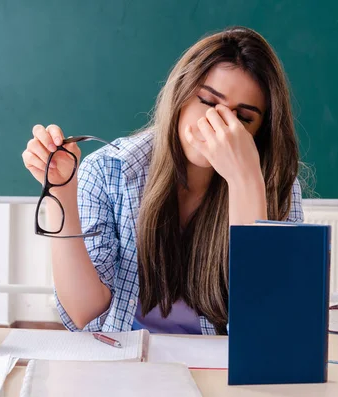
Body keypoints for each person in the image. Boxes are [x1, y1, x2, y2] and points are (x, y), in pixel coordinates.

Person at [22, 26, 304, 336]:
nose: (219, 125)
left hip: (224, 374)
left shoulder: (276, 187)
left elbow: (265, 328)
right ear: (181, 97)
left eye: (243, 118)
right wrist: (62, 191)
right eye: (209, 103)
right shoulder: (109, 171)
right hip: (128, 369)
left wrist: (245, 182)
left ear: (259, 132)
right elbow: (84, 312)